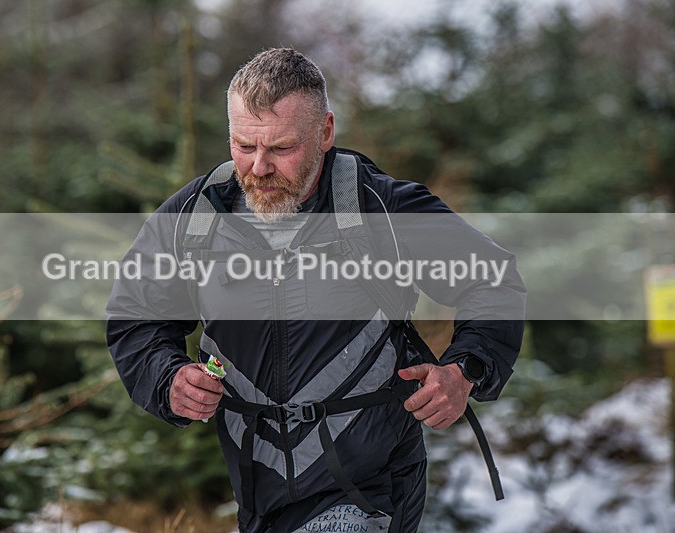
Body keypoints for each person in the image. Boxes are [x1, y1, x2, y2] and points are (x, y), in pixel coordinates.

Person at [106, 48, 525, 533]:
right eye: (243, 145)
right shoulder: (193, 219)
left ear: (325, 132)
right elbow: (137, 316)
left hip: (366, 491)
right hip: (258, 496)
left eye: (282, 149)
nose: (259, 167)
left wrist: (465, 369)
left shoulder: (382, 210)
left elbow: (492, 280)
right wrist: (168, 378)